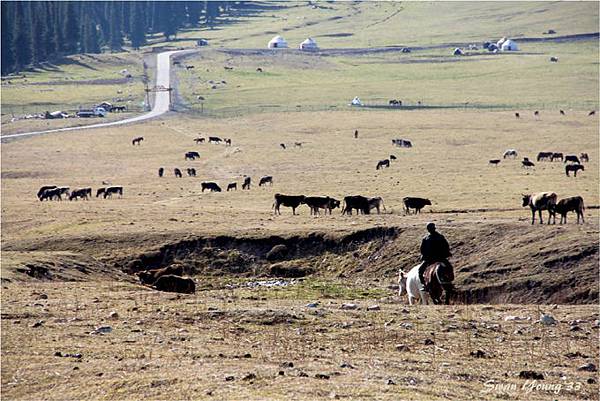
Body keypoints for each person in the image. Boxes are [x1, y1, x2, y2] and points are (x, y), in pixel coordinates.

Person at [418, 222, 451, 291]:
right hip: (440, 258)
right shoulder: (440, 237)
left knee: (420, 271)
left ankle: (424, 285)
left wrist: (423, 256)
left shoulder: (426, 238)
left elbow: (422, 249)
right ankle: (449, 281)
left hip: (430, 259)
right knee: (449, 267)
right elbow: (446, 246)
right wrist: (447, 253)